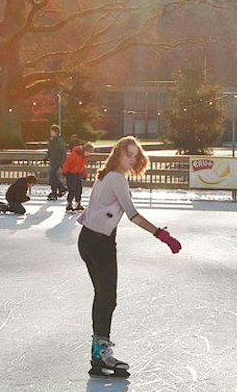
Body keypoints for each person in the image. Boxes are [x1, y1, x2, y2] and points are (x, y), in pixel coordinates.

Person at [77, 137, 180, 377]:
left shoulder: (105, 175)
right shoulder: (117, 178)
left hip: (88, 239)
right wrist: (160, 234)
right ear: (118, 154)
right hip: (100, 243)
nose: (132, 159)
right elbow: (132, 214)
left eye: (135, 155)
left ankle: (98, 353)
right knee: (107, 299)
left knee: (102, 297)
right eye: (128, 155)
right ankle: (101, 354)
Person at [62, 142, 89, 214]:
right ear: (84, 150)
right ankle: (69, 204)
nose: (88, 154)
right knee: (72, 189)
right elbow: (67, 162)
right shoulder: (75, 154)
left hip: (78, 174)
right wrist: (64, 171)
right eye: (88, 152)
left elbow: (82, 166)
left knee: (79, 189)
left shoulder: (84, 157)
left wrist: (84, 174)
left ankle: (78, 203)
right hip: (71, 174)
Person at [44, 125, 68, 200]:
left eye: (52, 131)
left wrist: (62, 163)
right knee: (53, 177)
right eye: (50, 131)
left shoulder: (60, 141)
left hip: (58, 162)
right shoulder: (51, 141)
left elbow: (63, 153)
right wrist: (46, 157)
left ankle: (56, 191)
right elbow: (49, 151)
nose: (51, 133)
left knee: (53, 176)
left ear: (56, 132)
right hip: (53, 161)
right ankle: (60, 188)